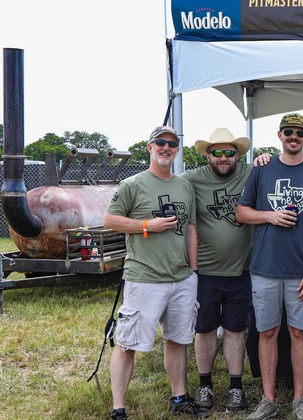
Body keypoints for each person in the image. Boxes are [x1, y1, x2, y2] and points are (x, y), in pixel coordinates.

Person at [237, 113, 303, 420]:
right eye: (288, 131)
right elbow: (241, 212)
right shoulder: (262, 168)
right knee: (267, 332)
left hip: (301, 271)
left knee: (299, 334)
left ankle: (299, 400)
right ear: (279, 135)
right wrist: (270, 216)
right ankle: (268, 400)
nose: (294, 136)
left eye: (300, 132)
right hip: (264, 267)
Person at [105, 126, 201, 419]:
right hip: (144, 277)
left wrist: (193, 271)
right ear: (150, 147)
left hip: (181, 278)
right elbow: (110, 219)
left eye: (172, 143)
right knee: (127, 343)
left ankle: (179, 397)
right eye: (160, 142)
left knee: (178, 339)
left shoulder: (184, 186)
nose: (166, 147)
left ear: (177, 150)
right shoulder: (133, 184)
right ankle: (119, 408)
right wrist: (147, 225)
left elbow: (191, 229)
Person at [180, 127, 255, 413]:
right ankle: (205, 385)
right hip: (205, 271)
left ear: (238, 155)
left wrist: (265, 160)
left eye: (230, 153)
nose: (224, 158)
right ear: (207, 155)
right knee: (205, 328)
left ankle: (236, 387)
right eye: (217, 152)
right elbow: (166, 185)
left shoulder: (250, 172)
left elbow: (275, 167)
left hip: (241, 270)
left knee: (236, 329)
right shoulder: (191, 178)